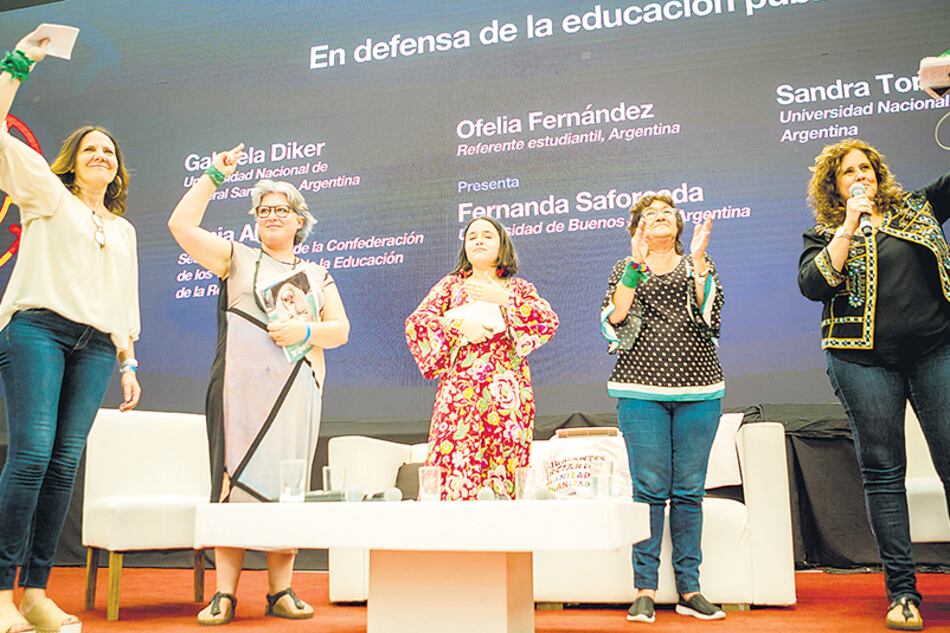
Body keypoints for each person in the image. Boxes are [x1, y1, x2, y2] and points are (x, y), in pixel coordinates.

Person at [168, 146, 349, 625]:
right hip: (240, 392)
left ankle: (281, 591)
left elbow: (341, 331)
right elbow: (180, 227)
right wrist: (212, 175)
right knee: (234, 483)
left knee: (288, 487)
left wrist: (304, 332)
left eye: (281, 210)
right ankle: (224, 593)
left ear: (298, 221)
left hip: (297, 390)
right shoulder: (237, 259)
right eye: (264, 210)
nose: (271, 216)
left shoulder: (317, 274)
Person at [0, 29, 142, 633]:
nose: (99, 157)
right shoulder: (44, 194)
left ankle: (34, 593)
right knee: (30, 456)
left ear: (117, 170)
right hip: (37, 331)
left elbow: (122, 301)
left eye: (108, 152)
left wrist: (128, 360)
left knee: (64, 466)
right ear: (71, 160)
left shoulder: (125, 229)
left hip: (94, 349)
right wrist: (19, 62)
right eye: (89, 150)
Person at [798, 138, 950, 631]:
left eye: (866, 168)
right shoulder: (824, 233)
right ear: (834, 187)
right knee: (884, 471)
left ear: (879, 174)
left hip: (935, 350)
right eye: (848, 173)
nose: (859, 176)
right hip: (861, 362)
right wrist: (849, 225)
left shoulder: (917, 208)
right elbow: (813, 285)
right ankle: (903, 593)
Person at [601, 194, 725, 623]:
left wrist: (699, 258)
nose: (659, 218)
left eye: (667, 213)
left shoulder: (697, 263)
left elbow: (710, 314)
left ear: (679, 224)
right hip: (639, 391)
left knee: (689, 491)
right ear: (638, 226)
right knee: (649, 491)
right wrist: (636, 265)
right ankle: (645, 590)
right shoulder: (625, 267)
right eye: (650, 214)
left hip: (700, 391)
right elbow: (616, 317)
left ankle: (690, 589)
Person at [405, 216, 558, 500]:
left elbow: (547, 321)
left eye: (487, 235)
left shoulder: (518, 289)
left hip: (506, 396)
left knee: (503, 462)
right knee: (455, 463)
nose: (478, 240)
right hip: (459, 397)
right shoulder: (450, 286)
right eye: (472, 235)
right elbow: (418, 323)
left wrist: (503, 298)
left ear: (502, 247)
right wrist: (459, 326)